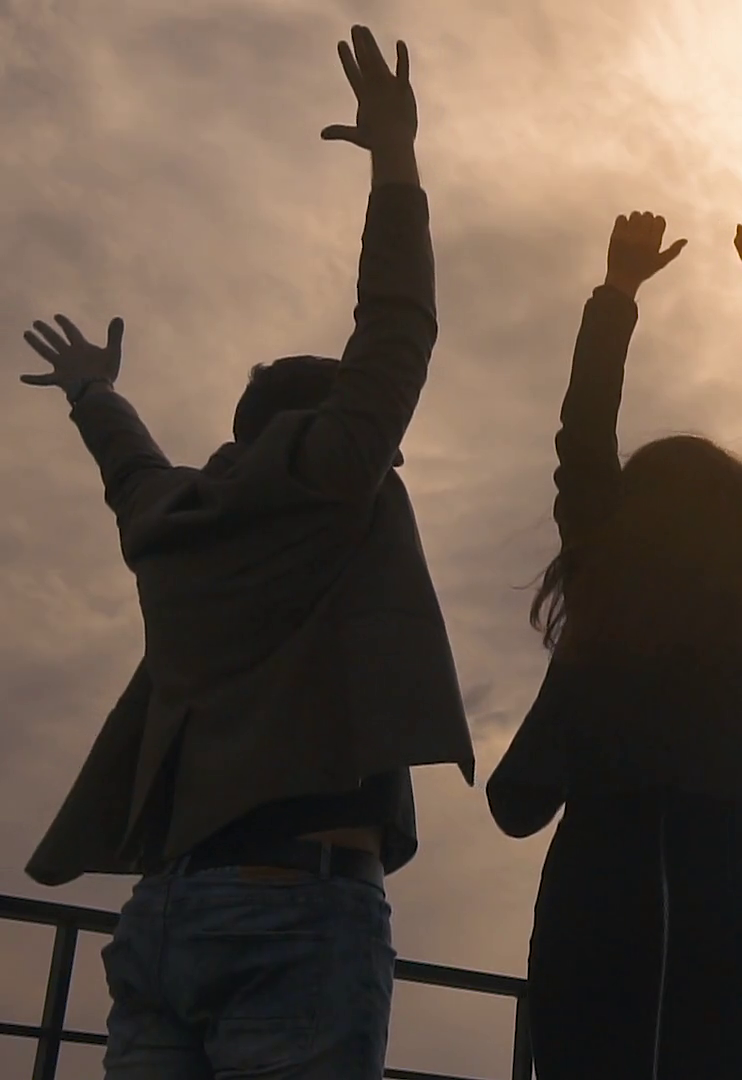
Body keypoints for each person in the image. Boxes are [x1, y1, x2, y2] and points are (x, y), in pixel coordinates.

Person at [18, 26, 473, 1078]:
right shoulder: (329, 482)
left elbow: (130, 470)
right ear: (329, 429)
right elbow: (396, 326)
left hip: (164, 916)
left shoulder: (173, 524)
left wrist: (95, 391)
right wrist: (397, 159)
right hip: (294, 908)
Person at [485, 212, 742, 1080]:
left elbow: (580, 446)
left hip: (590, 906)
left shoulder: (607, 584)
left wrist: (617, 292)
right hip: (724, 913)